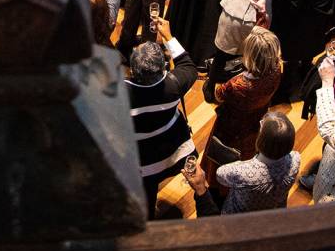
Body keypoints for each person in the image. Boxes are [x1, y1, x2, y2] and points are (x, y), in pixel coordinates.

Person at [123, 26, 198, 210]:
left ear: (133, 70)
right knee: (151, 183)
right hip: (165, 151)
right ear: (163, 67)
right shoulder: (174, 85)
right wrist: (168, 36)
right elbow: (188, 66)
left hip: (136, 156)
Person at [201, 27, 283, 180]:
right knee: (246, 154)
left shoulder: (238, 84)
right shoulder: (277, 69)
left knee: (221, 161)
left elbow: (218, 95)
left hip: (230, 129)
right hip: (255, 122)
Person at [208, 111, 298, 214]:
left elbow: (220, 174)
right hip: (273, 210)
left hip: (239, 216)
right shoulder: (295, 159)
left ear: (261, 140)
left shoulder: (241, 172)